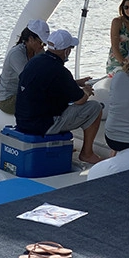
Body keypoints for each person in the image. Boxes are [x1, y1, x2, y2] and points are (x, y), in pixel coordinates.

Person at [15, 29, 103, 164]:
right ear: (66, 51)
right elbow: (80, 100)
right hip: (44, 125)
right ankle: (87, 153)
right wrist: (85, 91)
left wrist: (76, 83)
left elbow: (48, 84)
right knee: (95, 107)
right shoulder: (59, 70)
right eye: (70, 48)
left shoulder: (36, 61)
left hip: (23, 121)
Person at [0, 19, 50, 114]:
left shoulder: (38, 50)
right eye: (41, 42)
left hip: (25, 93)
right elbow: (30, 80)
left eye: (45, 44)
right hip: (8, 100)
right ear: (30, 39)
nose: (43, 46)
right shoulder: (16, 54)